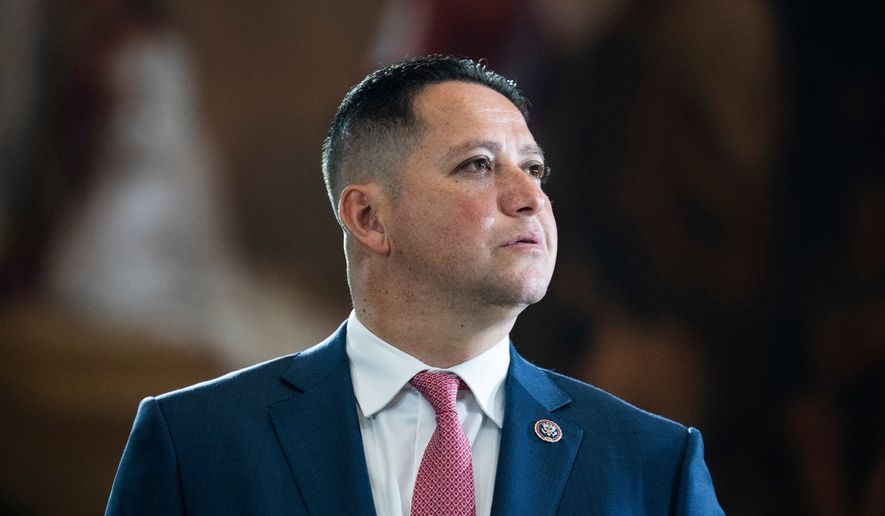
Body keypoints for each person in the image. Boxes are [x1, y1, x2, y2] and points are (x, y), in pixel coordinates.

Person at [106, 54, 723, 515]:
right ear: (369, 217)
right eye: (478, 165)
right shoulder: (194, 445)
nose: (530, 197)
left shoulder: (652, 465)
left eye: (534, 169)